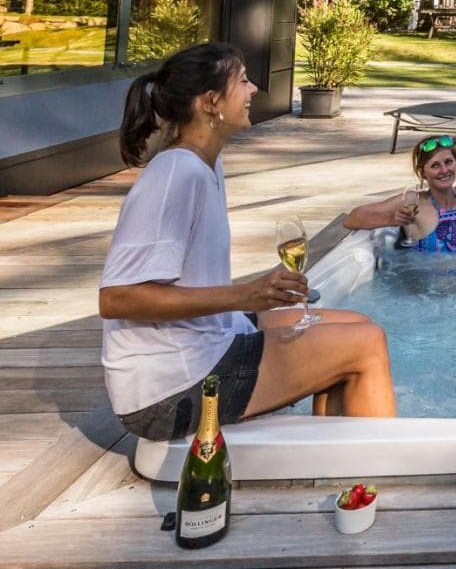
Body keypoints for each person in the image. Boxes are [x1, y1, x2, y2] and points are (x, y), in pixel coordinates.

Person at [99, 43, 396, 441]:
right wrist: (244, 295)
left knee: (358, 324)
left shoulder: (206, 163)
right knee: (365, 343)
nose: (254, 89)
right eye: (242, 81)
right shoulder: (175, 176)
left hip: (205, 339)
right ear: (210, 103)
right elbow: (117, 298)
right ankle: (370, 482)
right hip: (167, 390)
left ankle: (336, 463)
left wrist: (258, 294)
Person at [343, 135, 456, 252]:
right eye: (435, 165)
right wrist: (389, 220)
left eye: (448, 162)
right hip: (435, 290)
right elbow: (352, 219)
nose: (444, 170)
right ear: (423, 173)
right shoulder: (413, 201)